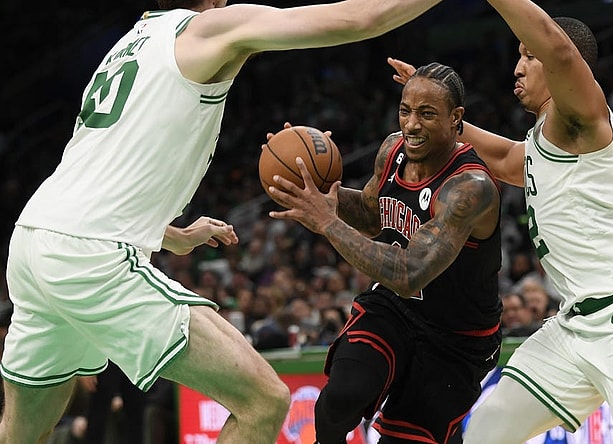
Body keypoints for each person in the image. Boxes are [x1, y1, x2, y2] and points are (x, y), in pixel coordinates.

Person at [0, 0, 445, 442]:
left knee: (22, 433)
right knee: (263, 401)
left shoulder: (129, 44)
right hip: (89, 255)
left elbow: (100, 180)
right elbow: (361, 17)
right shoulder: (205, 29)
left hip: (33, 240)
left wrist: (171, 235)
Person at [387, 1, 613, 442]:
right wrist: (436, 109)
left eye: (528, 55)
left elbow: (561, 52)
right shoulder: (542, 143)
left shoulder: (581, 119)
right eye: (519, 54)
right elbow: (497, 157)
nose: (518, 66)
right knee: (489, 429)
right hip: (576, 325)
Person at [267, 62, 503, 444]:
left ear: (456, 118)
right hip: (392, 308)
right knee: (342, 397)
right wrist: (314, 188)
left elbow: (411, 275)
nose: (411, 124)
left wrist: (327, 222)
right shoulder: (393, 150)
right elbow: (371, 214)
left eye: (426, 114)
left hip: (456, 337)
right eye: (405, 110)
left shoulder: (470, 187)